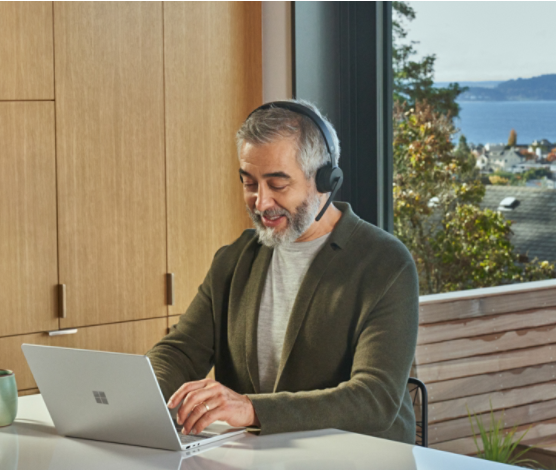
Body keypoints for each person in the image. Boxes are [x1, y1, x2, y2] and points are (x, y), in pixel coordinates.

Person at [146, 100, 419, 444]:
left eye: (277, 185)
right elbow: (180, 352)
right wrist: (141, 394)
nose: (261, 202)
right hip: (261, 456)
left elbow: (374, 399)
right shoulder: (235, 260)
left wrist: (252, 409)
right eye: (250, 184)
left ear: (324, 180)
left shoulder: (385, 263)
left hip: (358, 458)